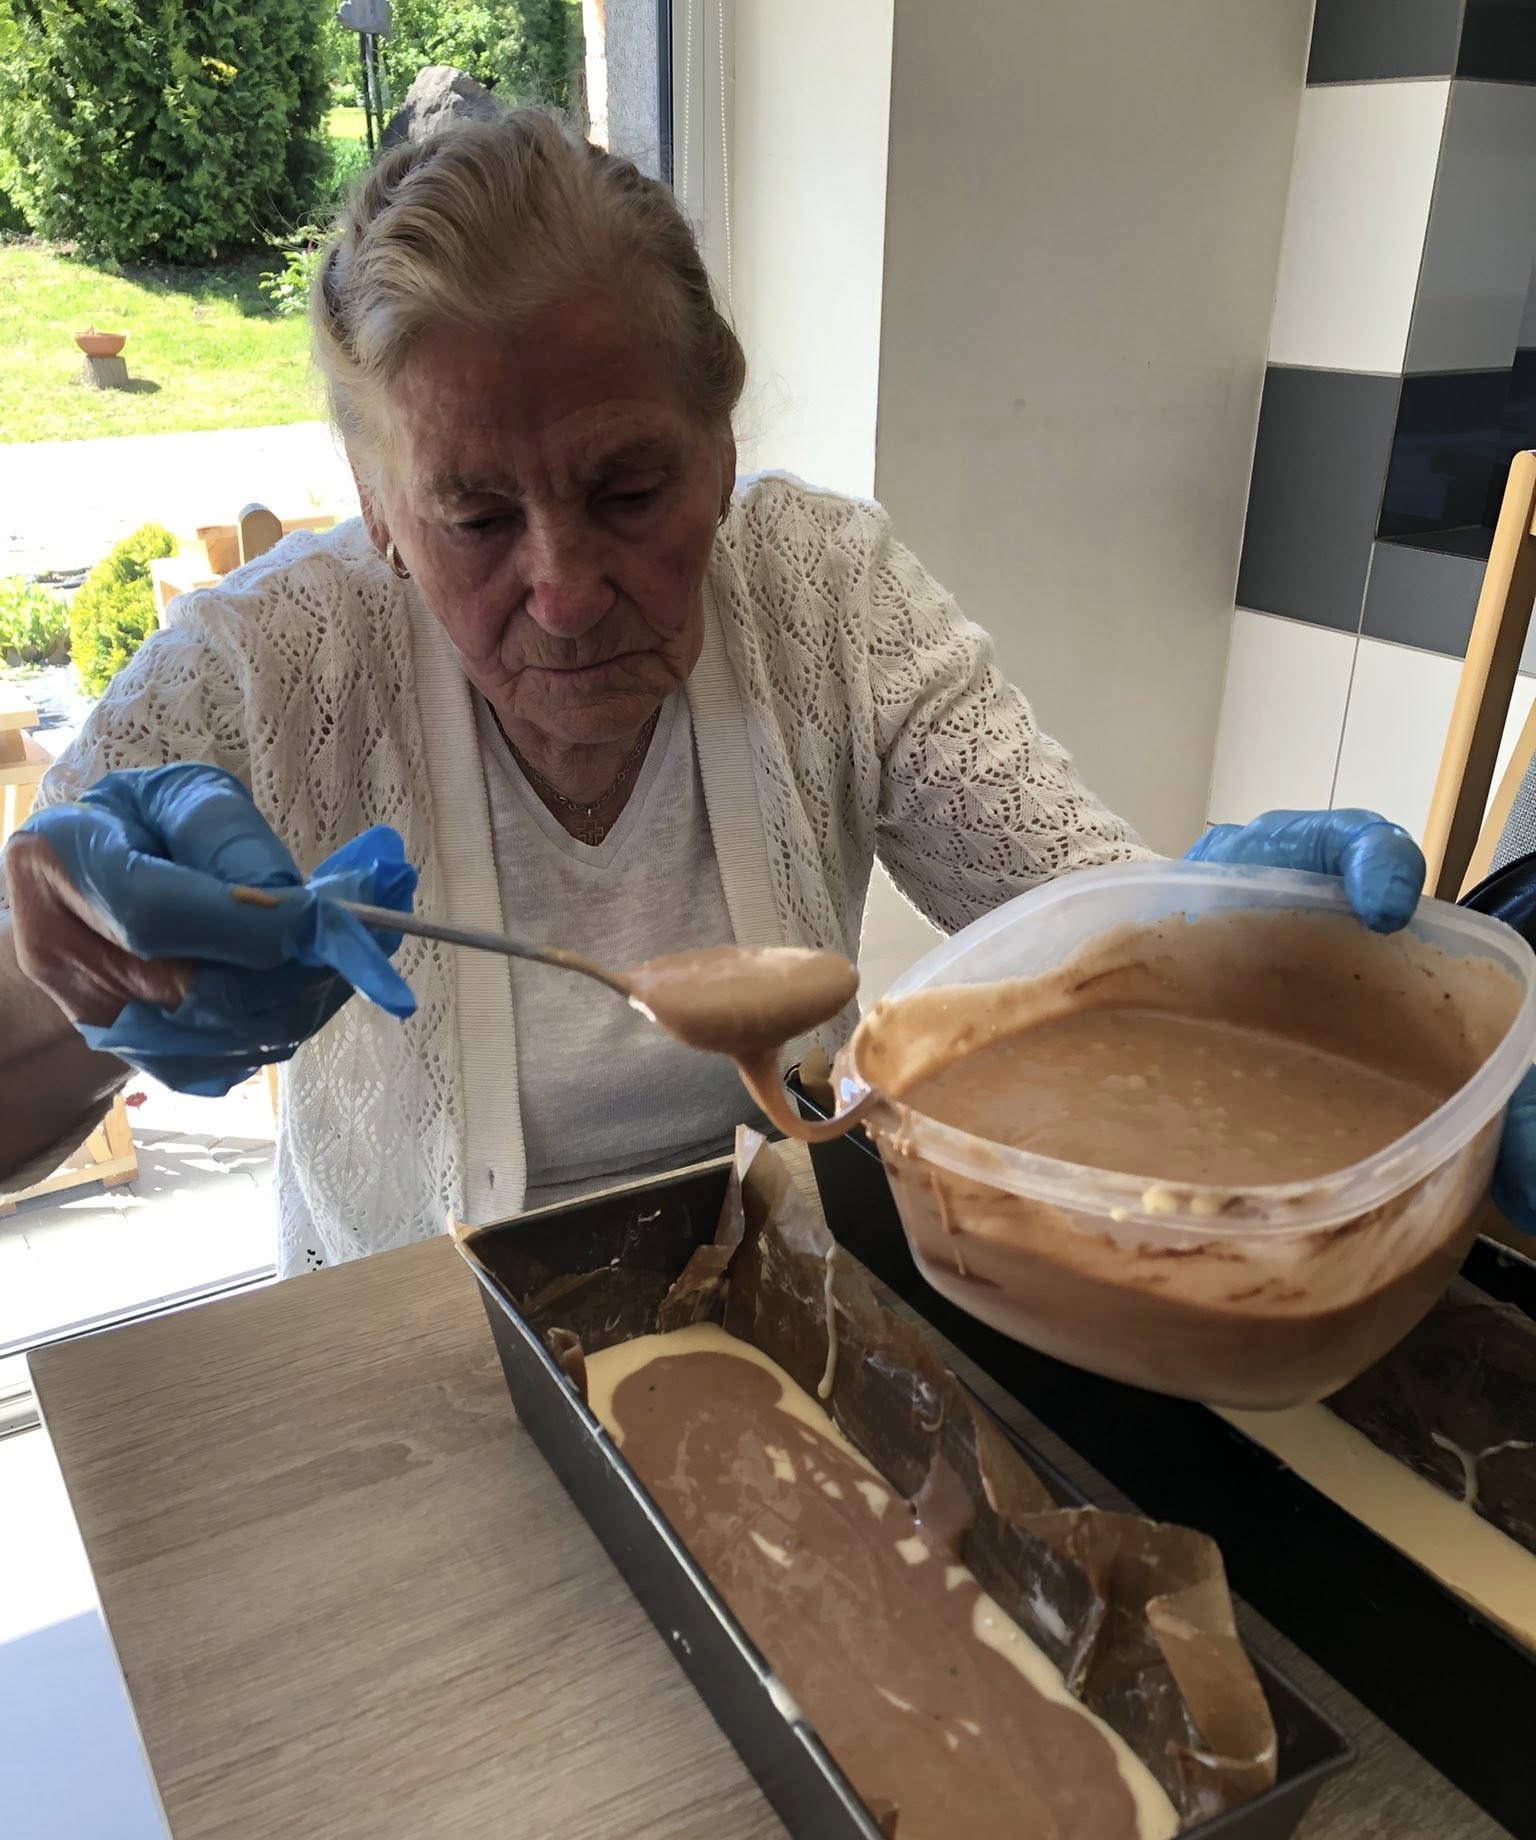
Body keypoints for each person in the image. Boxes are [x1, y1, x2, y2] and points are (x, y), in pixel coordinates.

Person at [2, 112, 1532, 1275]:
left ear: (722, 452)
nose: (563, 588)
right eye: (474, 516)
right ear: (380, 507)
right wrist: (81, 985)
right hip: (417, 1379)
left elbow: (1083, 922)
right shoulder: (268, 666)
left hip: (803, 1293)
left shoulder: (823, 595)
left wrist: (1235, 939)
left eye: (629, 488)